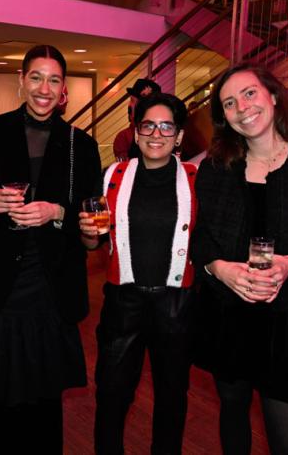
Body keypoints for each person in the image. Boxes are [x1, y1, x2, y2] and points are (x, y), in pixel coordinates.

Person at [0, 44, 101, 453]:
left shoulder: (81, 145)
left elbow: (93, 211)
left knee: (42, 402)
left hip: (49, 289)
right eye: (36, 77)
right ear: (21, 82)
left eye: (54, 79)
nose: (44, 88)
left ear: (63, 91)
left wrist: (57, 211)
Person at [192, 63, 288, 454]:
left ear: (273, 96)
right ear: (223, 118)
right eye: (229, 103)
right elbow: (202, 240)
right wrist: (221, 270)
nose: (242, 107)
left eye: (249, 93)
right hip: (230, 316)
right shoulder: (215, 169)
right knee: (233, 414)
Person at [80, 93, 198, 454]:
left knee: (172, 397)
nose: (156, 133)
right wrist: (87, 233)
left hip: (176, 304)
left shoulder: (198, 179)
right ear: (135, 131)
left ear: (179, 136)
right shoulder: (113, 176)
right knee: (112, 394)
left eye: (167, 126)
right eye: (148, 124)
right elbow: (92, 245)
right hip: (123, 301)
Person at [113, 78, 161, 160]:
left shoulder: (164, 133)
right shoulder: (124, 137)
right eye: (131, 100)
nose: (129, 105)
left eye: (132, 101)